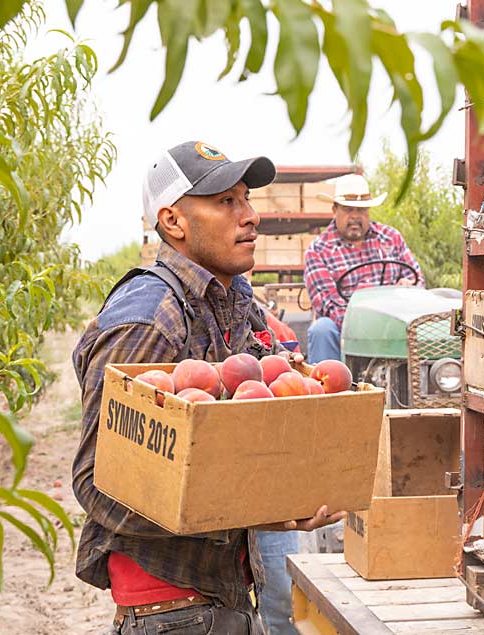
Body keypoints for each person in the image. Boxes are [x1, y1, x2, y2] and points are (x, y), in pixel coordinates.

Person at [71, 141, 345, 635]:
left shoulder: (233, 301)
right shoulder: (151, 318)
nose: (251, 216)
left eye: (247, 199)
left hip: (224, 592)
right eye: (226, 202)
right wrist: (245, 510)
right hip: (170, 608)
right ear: (174, 222)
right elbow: (97, 482)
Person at [303, 174, 425, 363]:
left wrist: (408, 286)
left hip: (393, 321)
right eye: (348, 209)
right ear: (334, 210)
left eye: (361, 210)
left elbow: (416, 278)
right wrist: (370, 328)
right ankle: (329, 385)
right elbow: (330, 304)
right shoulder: (318, 250)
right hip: (346, 327)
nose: (355, 216)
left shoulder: (390, 238)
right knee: (322, 329)